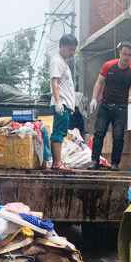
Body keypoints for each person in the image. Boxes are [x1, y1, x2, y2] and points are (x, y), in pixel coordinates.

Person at [87, 41, 131, 171]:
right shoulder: (108, 66)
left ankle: (115, 163)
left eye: (130, 55)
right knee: (99, 133)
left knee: (118, 136)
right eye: (124, 54)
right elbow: (99, 82)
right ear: (120, 52)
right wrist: (93, 99)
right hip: (105, 105)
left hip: (121, 107)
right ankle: (95, 160)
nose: (126, 57)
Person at [49, 34, 78, 171]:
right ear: (61, 46)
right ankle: (57, 163)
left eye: (73, 50)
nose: (72, 53)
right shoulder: (57, 61)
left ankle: (57, 162)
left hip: (65, 104)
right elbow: (54, 81)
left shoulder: (63, 61)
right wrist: (58, 101)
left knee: (60, 132)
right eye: (69, 50)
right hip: (62, 103)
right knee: (59, 133)